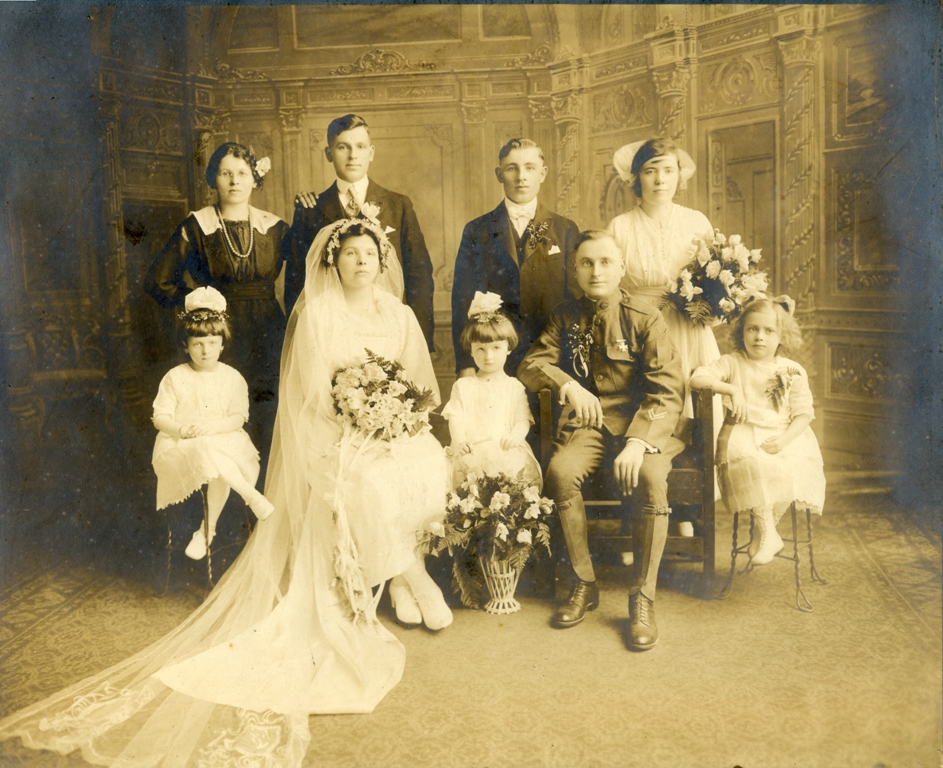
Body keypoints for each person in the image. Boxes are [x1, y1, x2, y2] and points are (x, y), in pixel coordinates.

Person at [0, 219, 450, 766]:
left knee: (427, 462)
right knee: (368, 480)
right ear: (333, 261)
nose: (361, 262)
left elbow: (417, 383)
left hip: (388, 424)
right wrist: (357, 417)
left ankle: (398, 575)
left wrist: (396, 417)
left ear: (383, 262)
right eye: (350, 253)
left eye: (370, 254)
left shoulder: (399, 314)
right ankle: (410, 578)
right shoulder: (318, 315)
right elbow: (313, 393)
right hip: (331, 427)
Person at [517, 230, 685, 651]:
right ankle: (582, 582)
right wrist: (568, 386)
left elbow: (666, 390)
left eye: (606, 262)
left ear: (621, 267)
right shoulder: (565, 316)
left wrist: (638, 442)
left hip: (643, 427)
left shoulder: (646, 317)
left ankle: (642, 597)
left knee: (652, 478)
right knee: (561, 472)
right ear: (574, 270)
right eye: (587, 263)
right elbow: (531, 363)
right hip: (589, 427)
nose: (596, 271)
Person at [144, 142, 289, 471]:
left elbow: (306, 275)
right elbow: (157, 281)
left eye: (242, 173)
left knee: (268, 409)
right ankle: (224, 494)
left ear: (255, 178)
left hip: (268, 330)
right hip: (218, 332)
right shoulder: (196, 226)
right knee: (221, 412)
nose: (234, 181)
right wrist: (195, 299)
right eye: (225, 173)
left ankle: (265, 492)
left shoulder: (275, 227)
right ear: (213, 179)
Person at [607, 137, 722, 537]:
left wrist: (710, 305)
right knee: (647, 412)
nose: (660, 180)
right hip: (639, 330)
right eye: (650, 171)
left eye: (668, 170)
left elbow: (716, 283)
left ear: (679, 176)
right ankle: (639, 514)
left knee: (692, 414)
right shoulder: (620, 226)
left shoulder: (697, 221)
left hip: (689, 328)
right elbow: (612, 287)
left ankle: (686, 510)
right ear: (636, 178)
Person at [689, 296, 825, 565]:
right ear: (742, 332)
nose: (759, 337)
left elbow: (803, 413)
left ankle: (765, 533)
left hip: (785, 434)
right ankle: (768, 534)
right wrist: (730, 389)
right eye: (752, 329)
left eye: (769, 330)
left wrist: (784, 440)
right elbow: (697, 378)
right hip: (745, 431)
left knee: (794, 466)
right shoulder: (732, 362)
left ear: (782, 336)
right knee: (754, 463)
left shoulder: (792, 370)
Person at [282, 113, 436, 350]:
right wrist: (301, 343)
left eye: (360, 147)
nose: (353, 155)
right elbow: (297, 281)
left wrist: (420, 341)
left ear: (371, 152)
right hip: (330, 334)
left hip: (386, 331)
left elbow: (419, 274)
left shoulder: (398, 205)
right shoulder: (310, 210)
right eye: (343, 147)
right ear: (329, 153)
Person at [152, 286, 274, 560]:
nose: (205, 351)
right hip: (180, 445)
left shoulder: (232, 377)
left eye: (212, 343)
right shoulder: (175, 377)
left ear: (222, 344)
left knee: (216, 460)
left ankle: (207, 531)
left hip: (222, 439)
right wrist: (183, 429)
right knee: (209, 451)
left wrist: (212, 429)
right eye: (197, 344)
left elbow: (237, 418)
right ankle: (251, 496)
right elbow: (160, 417)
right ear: (186, 345)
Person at [452, 137, 581, 378]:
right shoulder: (477, 230)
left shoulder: (565, 229)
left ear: (542, 174)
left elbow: (575, 299)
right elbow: (462, 299)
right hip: (493, 357)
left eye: (529, 168)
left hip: (551, 355)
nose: (521, 176)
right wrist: (465, 364)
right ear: (499, 174)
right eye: (512, 168)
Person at [442, 291, 541, 489]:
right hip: (471, 450)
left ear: (508, 348)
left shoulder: (514, 386)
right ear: (471, 350)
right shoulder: (463, 385)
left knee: (511, 479)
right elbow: (456, 417)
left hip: (504, 447)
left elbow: (522, 419)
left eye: (496, 348)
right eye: (480, 349)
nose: (488, 356)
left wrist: (516, 436)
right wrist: (460, 441)